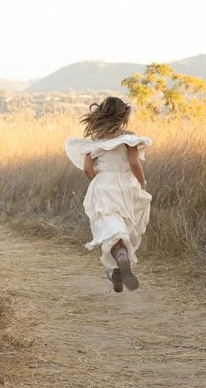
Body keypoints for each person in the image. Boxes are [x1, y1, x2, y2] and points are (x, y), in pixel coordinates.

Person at [65, 96, 152, 292]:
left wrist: (98, 182)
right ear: (123, 116)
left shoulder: (94, 143)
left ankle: (119, 259)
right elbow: (134, 163)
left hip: (104, 186)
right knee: (127, 225)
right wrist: (141, 181)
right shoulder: (129, 138)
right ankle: (120, 263)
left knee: (110, 228)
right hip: (127, 185)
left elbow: (88, 169)